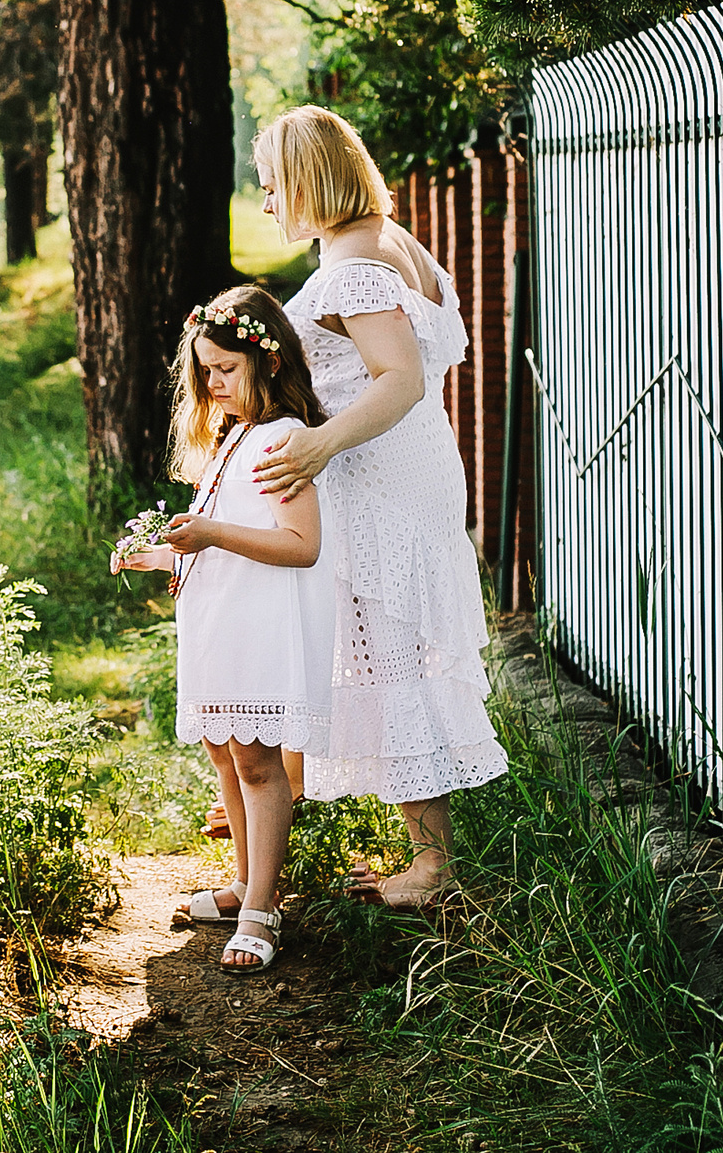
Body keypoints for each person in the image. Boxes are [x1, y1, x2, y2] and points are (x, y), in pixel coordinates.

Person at [250, 106, 507, 910]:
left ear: (308, 180)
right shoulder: (391, 243)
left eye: (270, 187)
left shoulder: (357, 264)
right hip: (414, 467)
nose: (266, 205)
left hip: (382, 477)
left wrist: (321, 446)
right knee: (393, 646)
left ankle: (430, 868)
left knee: (391, 649)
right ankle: (382, 835)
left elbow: (398, 377)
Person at [116, 285, 333, 971]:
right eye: (204, 370)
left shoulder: (284, 438)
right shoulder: (232, 438)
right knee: (224, 757)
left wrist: (208, 531)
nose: (212, 384)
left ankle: (264, 911)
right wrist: (156, 553)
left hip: (262, 624)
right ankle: (244, 882)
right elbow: (214, 539)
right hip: (218, 621)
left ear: (268, 362)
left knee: (258, 764)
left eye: (225, 370)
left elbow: (301, 545)